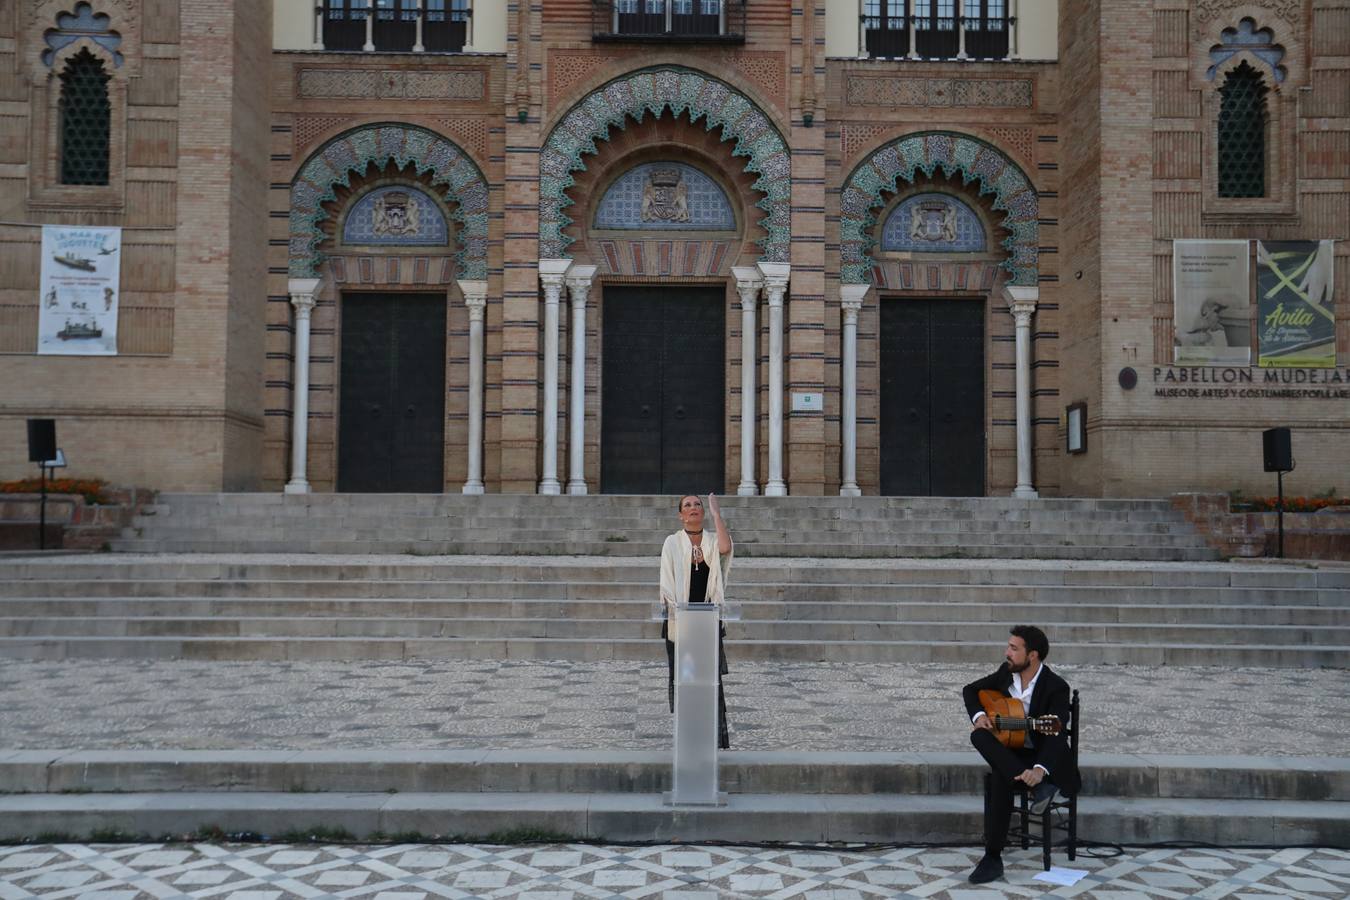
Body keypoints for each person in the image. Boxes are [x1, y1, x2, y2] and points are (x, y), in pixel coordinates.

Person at [962, 625, 1080, 884]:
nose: (1007, 653)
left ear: (1033, 655)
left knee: (1000, 778)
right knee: (978, 735)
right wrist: (980, 716)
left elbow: (1056, 736)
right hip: (1013, 755)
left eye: (1014, 648)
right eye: (1008, 646)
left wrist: (1039, 770)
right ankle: (1034, 791)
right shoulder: (1006, 675)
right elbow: (970, 690)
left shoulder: (1056, 687)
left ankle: (992, 857)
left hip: (1045, 759)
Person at [659, 493, 733, 749]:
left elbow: (725, 549)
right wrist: (678, 611)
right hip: (680, 625)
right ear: (680, 515)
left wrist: (716, 514)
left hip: (707, 623)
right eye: (687, 505)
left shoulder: (712, 541)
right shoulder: (672, 543)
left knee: (708, 682)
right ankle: (688, 738)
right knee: (685, 679)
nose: (693, 508)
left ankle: (711, 738)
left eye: (698, 505)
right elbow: (666, 583)